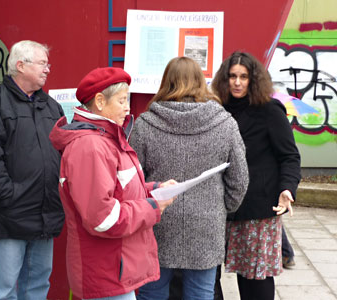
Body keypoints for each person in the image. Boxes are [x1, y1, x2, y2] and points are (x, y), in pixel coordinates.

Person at [49, 67, 176, 300]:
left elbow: (120, 191)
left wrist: (154, 190)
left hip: (114, 271)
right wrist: (152, 207)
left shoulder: (105, 139)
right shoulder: (90, 146)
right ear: (99, 101)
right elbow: (103, 218)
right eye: (122, 100)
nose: (128, 107)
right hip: (105, 275)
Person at [128, 56, 249, 300]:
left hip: (157, 220)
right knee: (202, 294)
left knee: (151, 293)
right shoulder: (225, 123)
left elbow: (131, 178)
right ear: (200, 82)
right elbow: (240, 179)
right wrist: (222, 208)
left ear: (166, 82)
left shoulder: (145, 124)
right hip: (207, 223)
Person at [0, 40, 65, 300]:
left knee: (37, 287)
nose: (48, 69)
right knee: (5, 290)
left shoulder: (51, 106)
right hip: (9, 215)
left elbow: (63, 153)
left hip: (45, 213)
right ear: (20, 66)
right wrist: (9, 197)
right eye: (43, 63)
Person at [211, 51, 301, 300]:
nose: (237, 82)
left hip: (258, 211)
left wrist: (287, 189)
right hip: (222, 207)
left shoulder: (269, 110)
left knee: (255, 281)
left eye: (244, 77)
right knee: (209, 278)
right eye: (232, 76)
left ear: (254, 79)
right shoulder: (217, 109)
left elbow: (290, 157)